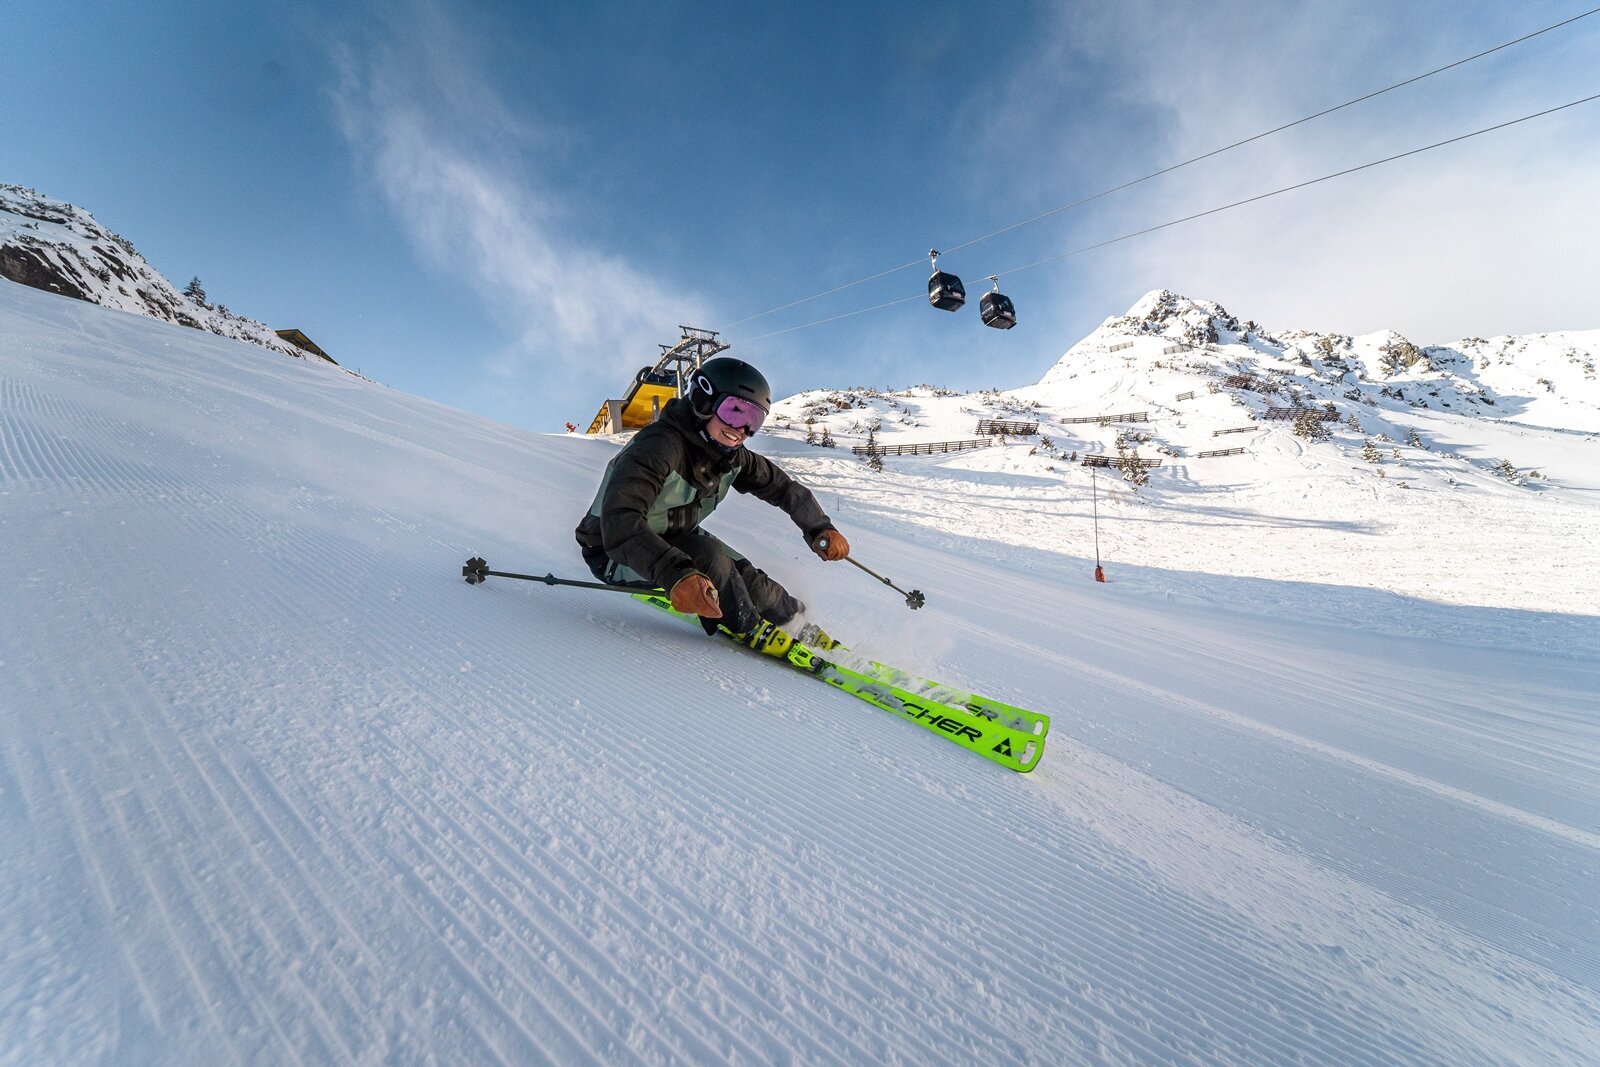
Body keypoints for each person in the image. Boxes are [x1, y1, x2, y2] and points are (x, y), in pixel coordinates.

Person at [575, 357, 850, 642]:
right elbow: (621, 522)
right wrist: (675, 573)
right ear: (704, 401)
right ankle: (750, 628)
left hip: (674, 536)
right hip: (612, 549)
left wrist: (819, 526)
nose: (740, 430)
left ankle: (797, 625)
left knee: (751, 580)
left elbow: (783, 488)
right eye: (734, 412)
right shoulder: (659, 447)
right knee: (711, 559)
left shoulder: (730, 456)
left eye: (752, 421)